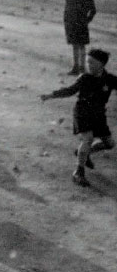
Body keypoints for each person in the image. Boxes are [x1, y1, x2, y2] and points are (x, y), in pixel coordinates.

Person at [40, 48, 117, 187]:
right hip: (82, 112)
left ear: (102, 64)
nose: (89, 65)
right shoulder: (84, 78)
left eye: (92, 63)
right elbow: (69, 91)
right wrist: (51, 95)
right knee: (87, 139)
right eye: (87, 62)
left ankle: (85, 153)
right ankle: (78, 172)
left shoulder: (109, 79)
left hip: (99, 115)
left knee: (110, 143)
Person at [63, 0, 97, 75]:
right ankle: (75, 67)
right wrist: (66, 22)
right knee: (74, 45)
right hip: (72, 24)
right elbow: (67, 10)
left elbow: (93, 10)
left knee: (82, 46)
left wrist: (86, 21)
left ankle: (82, 68)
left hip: (82, 24)